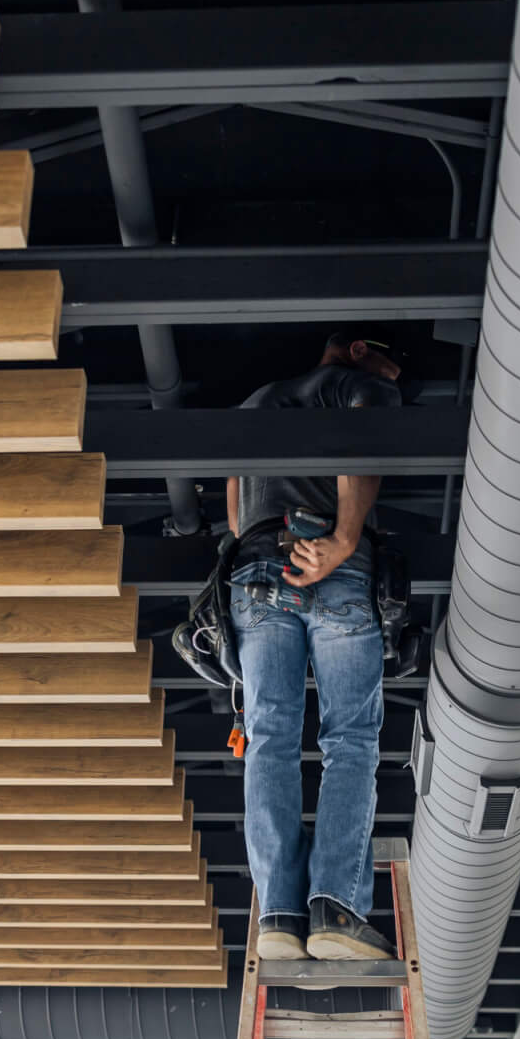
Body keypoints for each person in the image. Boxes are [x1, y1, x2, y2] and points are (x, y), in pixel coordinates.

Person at [226, 332, 403, 962]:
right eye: (389, 360)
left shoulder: (254, 405)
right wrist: (346, 539)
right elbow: (363, 443)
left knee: (270, 736)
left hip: (253, 572)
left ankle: (277, 912)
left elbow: (234, 508)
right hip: (330, 564)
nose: (395, 373)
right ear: (357, 351)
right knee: (349, 739)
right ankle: (334, 907)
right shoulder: (360, 387)